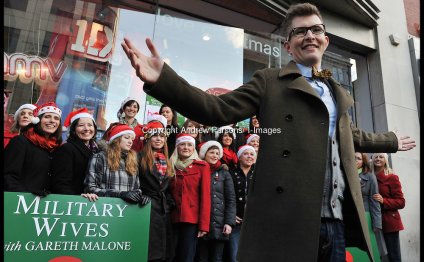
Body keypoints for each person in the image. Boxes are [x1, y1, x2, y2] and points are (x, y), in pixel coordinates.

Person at [121, 3, 416, 261]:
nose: (309, 36)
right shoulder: (269, 81)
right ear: (287, 46)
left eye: (315, 30)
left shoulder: (335, 91)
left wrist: (390, 141)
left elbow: (350, 135)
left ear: (325, 40)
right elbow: (215, 109)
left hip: (336, 222)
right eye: (300, 32)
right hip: (289, 221)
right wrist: (164, 80)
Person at [169, 133, 211, 262]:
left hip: (191, 219)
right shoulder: (169, 165)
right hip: (171, 218)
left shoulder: (202, 167)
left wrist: (204, 225)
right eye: (182, 144)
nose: (186, 147)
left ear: (194, 148)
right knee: (169, 255)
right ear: (177, 147)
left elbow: (206, 197)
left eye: (189, 145)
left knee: (186, 256)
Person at [84, 123, 150, 205]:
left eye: (132, 139)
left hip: (127, 210)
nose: (130, 142)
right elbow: (90, 189)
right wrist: (121, 194)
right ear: (116, 139)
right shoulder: (100, 157)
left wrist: (141, 197)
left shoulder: (133, 159)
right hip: (105, 208)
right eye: (126, 138)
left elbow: (136, 189)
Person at [4, 102, 63, 194]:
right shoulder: (20, 142)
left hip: (44, 204)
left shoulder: (56, 148)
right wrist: (26, 196)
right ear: (37, 120)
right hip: (19, 203)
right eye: (47, 117)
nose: (52, 121)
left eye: (56, 118)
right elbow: (9, 176)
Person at [138, 119, 174, 262]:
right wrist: (140, 196)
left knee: (163, 251)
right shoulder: (138, 157)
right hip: (145, 207)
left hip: (163, 209)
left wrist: (170, 203)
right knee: (148, 251)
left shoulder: (167, 160)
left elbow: (168, 187)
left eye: (162, 136)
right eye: (154, 135)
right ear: (148, 138)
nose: (158, 139)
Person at [196, 141, 236, 262]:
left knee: (217, 258)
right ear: (204, 154)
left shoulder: (224, 173)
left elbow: (231, 199)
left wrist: (229, 223)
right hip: (201, 224)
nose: (214, 155)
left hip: (219, 224)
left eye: (217, 153)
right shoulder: (198, 170)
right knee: (201, 258)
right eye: (211, 152)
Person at [51, 108, 100, 195]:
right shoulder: (66, 149)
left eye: (90, 125)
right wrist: (77, 198)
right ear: (73, 130)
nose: (86, 128)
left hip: (93, 202)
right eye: (81, 125)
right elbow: (61, 183)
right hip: (74, 202)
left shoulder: (98, 152)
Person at [372, 153, 405, 262]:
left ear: (386, 160)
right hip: (373, 220)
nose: (378, 158)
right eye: (375, 156)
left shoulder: (392, 177)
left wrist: (383, 200)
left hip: (389, 222)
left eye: (381, 157)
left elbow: (401, 202)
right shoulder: (368, 176)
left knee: (393, 256)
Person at [225, 145, 256, 262]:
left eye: (252, 154)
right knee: (235, 256)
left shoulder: (260, 175)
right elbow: (227, 197)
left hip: (254, 222)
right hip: (236, 221)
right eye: (246, 154)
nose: (249, 156)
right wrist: (231, 215)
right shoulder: (231, 174)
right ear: (239, 157)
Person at [355, 152, 387, 260]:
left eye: (358, 158)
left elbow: (374, 201)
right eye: (353, 157)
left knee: (367, 252)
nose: (355, 160)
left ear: (363, 162)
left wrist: (377, 224)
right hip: (348, 217)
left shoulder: (369, 176)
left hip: (366, 216)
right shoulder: (342, 174)